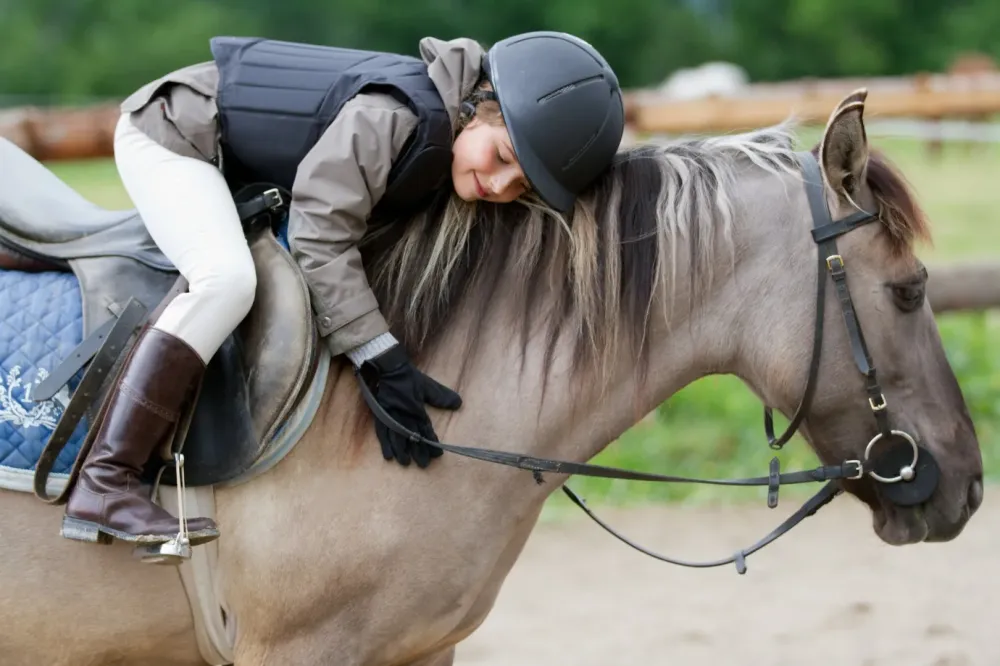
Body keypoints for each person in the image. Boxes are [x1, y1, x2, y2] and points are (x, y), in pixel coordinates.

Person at [59, 31, 625, 550]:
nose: (497, 186)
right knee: (226, 280)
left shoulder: (444, 133)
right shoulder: (393, 118)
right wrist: (379, 355)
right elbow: (320, 232)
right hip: (172, 134)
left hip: (228, 155)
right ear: (476, 108)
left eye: (519, 184)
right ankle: (106, 478)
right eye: (502, 157)